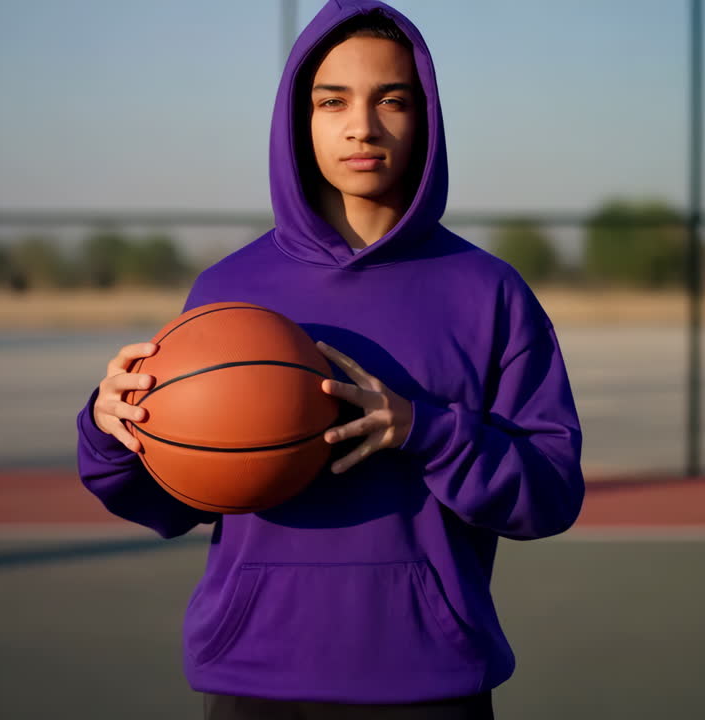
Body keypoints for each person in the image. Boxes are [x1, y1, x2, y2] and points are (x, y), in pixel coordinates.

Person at [76, 1, 584, 717]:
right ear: (300, 120)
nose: (362, 126)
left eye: (392, 101)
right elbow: (168, 495)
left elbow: (551, 494)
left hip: (432, 680)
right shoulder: (229, 291)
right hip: (256, 677)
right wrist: (112, 428)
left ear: (426, 118)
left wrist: (424, 430)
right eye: (333, 101)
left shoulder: (488, 292)